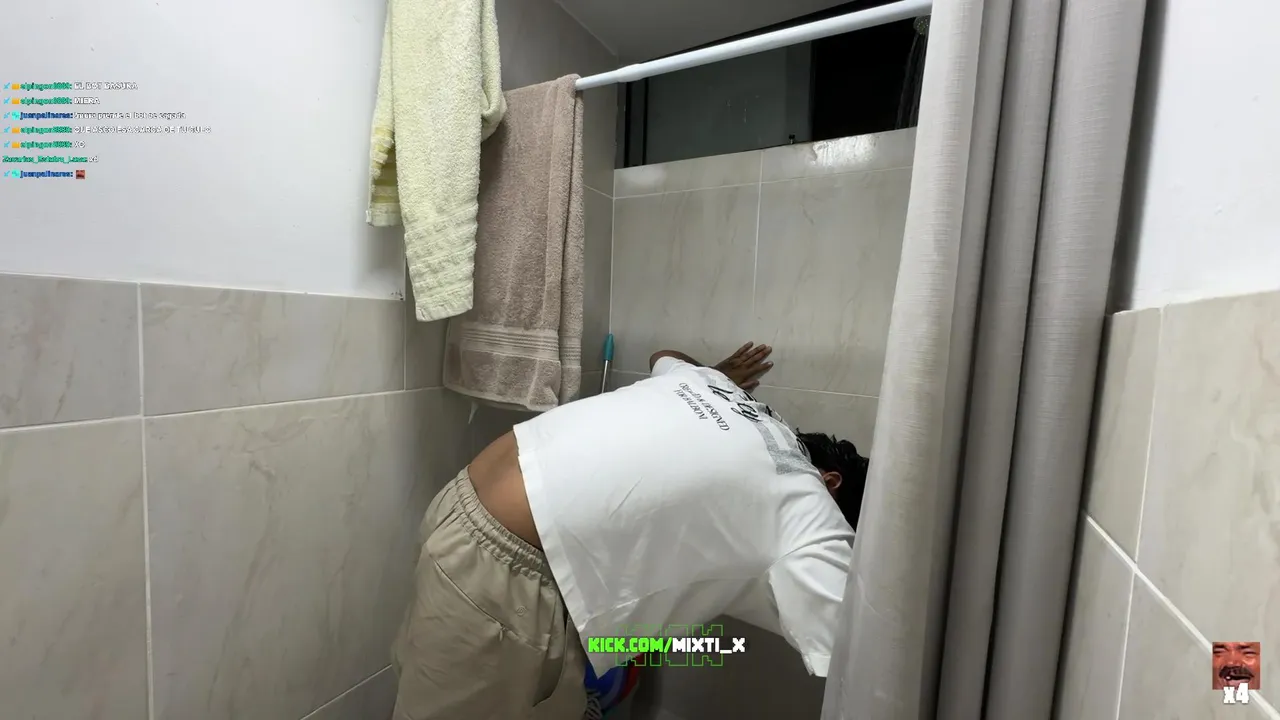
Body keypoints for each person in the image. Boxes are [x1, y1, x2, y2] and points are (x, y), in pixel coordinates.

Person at [390, 343, 870, 720]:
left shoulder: (723, 392)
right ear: (831, 482)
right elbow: (864, 656)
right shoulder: (806, 495)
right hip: (501, 568)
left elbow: (665, 355)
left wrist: (717, 372)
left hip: (467, 506)